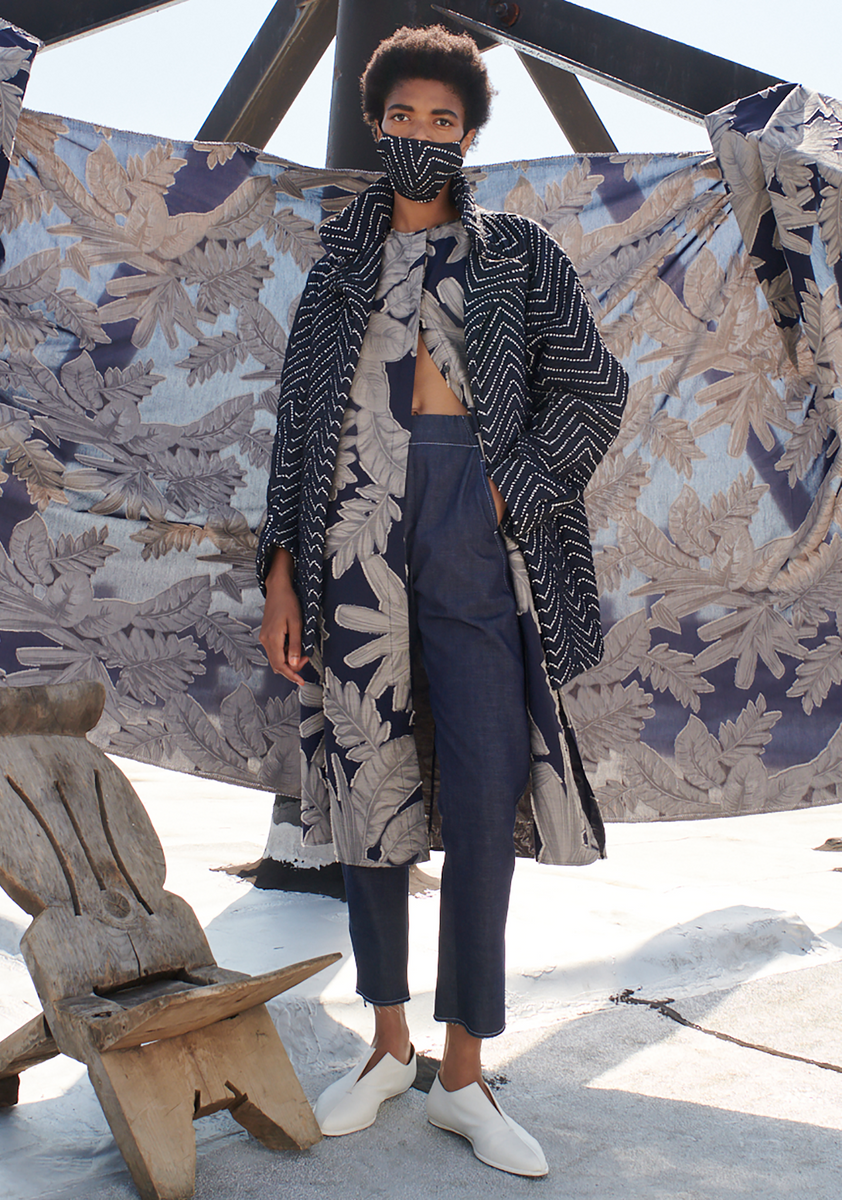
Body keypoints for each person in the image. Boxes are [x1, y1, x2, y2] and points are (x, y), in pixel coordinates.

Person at [257, 25, 628, 1178]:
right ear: (378, 127)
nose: (422, 135)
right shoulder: (334, 271)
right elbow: (295, 429)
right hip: (353, 536)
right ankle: (383, 1044)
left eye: (444, 120)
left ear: (471, 134)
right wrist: (281, 566)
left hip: (478, 523)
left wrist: (515, 492)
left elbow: (598, 388)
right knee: (371, 781)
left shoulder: (518, 252)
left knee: (480, 791)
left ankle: (464, 1072)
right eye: (403, 117)